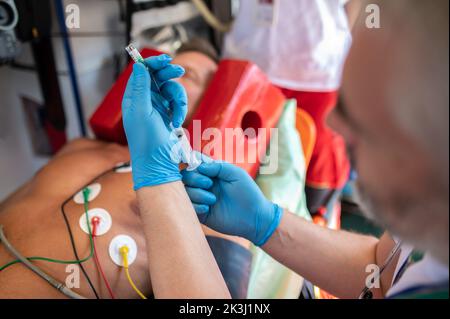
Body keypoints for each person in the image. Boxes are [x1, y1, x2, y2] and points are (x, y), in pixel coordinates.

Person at [182, 0, 449, 298]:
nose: (333, 123)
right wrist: (267, 223)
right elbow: (377, 270)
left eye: (355, 116)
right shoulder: (431, 215)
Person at [0, 42, 248, 299]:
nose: (160, 76)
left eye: (186, 73)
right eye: (166, 65)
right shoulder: (80, 147)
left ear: (212, 103)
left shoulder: (207, 199)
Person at [223, 0, 361, 223]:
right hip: (251, 54)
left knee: (320, 190)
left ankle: (316, 241)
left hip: (320, 68)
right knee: (234, 169)